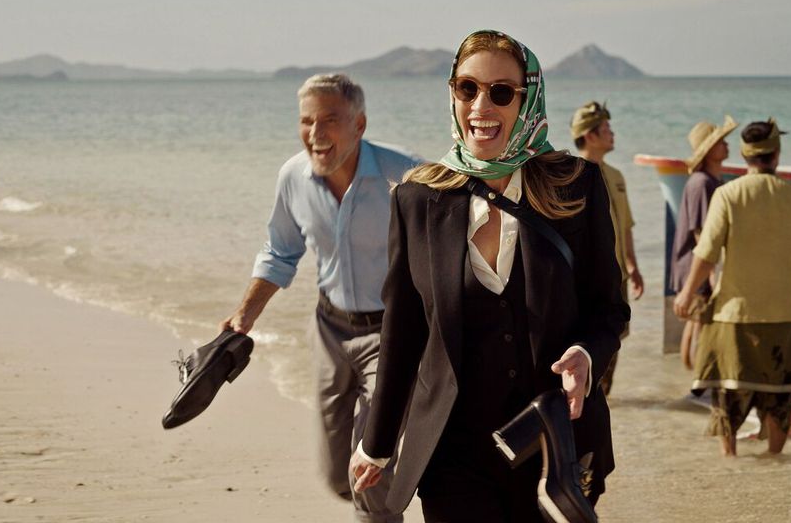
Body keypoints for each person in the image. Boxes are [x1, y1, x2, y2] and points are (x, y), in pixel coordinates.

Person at [349, 30, 628, 522]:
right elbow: (405, 330)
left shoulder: (577, 186)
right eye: (467, 88)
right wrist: (377, 443)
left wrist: (586, 354)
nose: (482, 105)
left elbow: (608, 309)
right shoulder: (417, 199)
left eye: (502, 92)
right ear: (452, 93)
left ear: (528, 99)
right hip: (451, 453)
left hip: (553, 447)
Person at [219, 73, 421, 523]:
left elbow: (451, 250)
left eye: (330, 119)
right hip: (328, 330)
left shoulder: (405, 177)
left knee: (367, 469)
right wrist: (245, 314)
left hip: (391, 336)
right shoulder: (293, 177)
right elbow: (280, 250)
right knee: (336, 475)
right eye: (307, 121)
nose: (315, 133)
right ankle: (387, 495)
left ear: (360, 124)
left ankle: (381, 500)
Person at [673, 119, 791, 456]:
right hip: (782, 318)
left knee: (728, 403)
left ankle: (732, 470)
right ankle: (774, 465)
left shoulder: (728, 194)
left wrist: (685, 293)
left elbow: (707, 254)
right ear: (777, 154)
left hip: (733, 318)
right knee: (779, 403)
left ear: (744, 155)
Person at [571, 100, 643, 395]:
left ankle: (603, 399)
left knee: (614, 338)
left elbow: (625, 225)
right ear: (590, 135)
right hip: (587, 279)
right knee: (588, 342)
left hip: (618, 277)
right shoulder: (571, 174)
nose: (612, 133)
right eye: (606, 128)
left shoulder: (616, 176)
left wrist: (633, 267)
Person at [670, 116, 735, 370]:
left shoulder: (709, 181)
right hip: (696, 266)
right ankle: (699, 380)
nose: (726, 145)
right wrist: (711, 274)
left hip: (695, 265)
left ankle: (695, 382)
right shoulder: (703, 183)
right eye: (721, 141)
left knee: (695, 324)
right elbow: (702, 233)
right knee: (699, 326)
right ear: (708, 150)